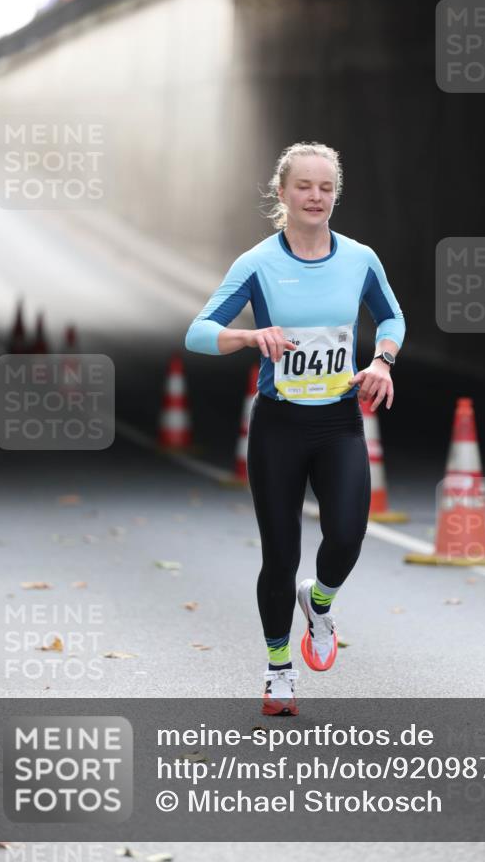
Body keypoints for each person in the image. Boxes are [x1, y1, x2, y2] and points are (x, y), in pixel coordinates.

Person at [185, 141, 405, 715]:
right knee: (280, 555)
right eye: (304, 186)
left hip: (338, 421)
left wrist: (382, 360)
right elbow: (199, 332)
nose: (315, 196)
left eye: (326, 187)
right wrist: (249, 336)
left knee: (348, 536)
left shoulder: (359, 258)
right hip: (279, 424)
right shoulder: (257, 262)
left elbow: (391, 315)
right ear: (281, 193)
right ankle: (278, 669)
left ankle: (321, 601)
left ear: (336, 195)